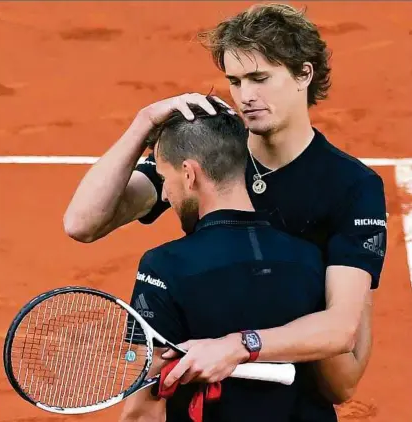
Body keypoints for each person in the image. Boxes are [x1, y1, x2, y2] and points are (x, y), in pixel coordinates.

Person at [63, 3, 387, 420]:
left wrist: (238, 346)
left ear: (304, 75)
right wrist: (144, 122)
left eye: (260, 78)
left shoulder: (350, 185)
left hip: (292, 388)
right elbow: (82, 223)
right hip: (206, 383)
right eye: (235, 81)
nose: (245, 96)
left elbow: (341, 341)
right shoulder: (218, 154)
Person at [119, 99, 328, 422]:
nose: (164, 195)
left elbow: (143, 410)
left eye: (165, 178)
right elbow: (339, 384)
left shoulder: (164, 266)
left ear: (189, 175)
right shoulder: (310, 257)